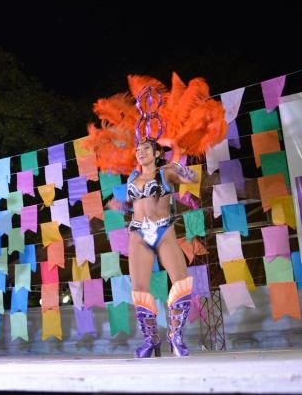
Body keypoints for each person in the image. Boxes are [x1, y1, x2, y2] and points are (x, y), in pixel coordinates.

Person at [86, 73, 226, 358]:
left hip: (163, 231)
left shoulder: (166, 171)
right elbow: (127, 203)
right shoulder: (132, 180)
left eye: (145, 149)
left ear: (155, 152)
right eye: (138, 150)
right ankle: (151, 339)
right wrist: (117, 204)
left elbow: (187, 175)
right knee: (138, 287)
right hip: (138, 233)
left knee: (182, 281)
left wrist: (176, 153)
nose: (139, 153)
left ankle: (176, 335)